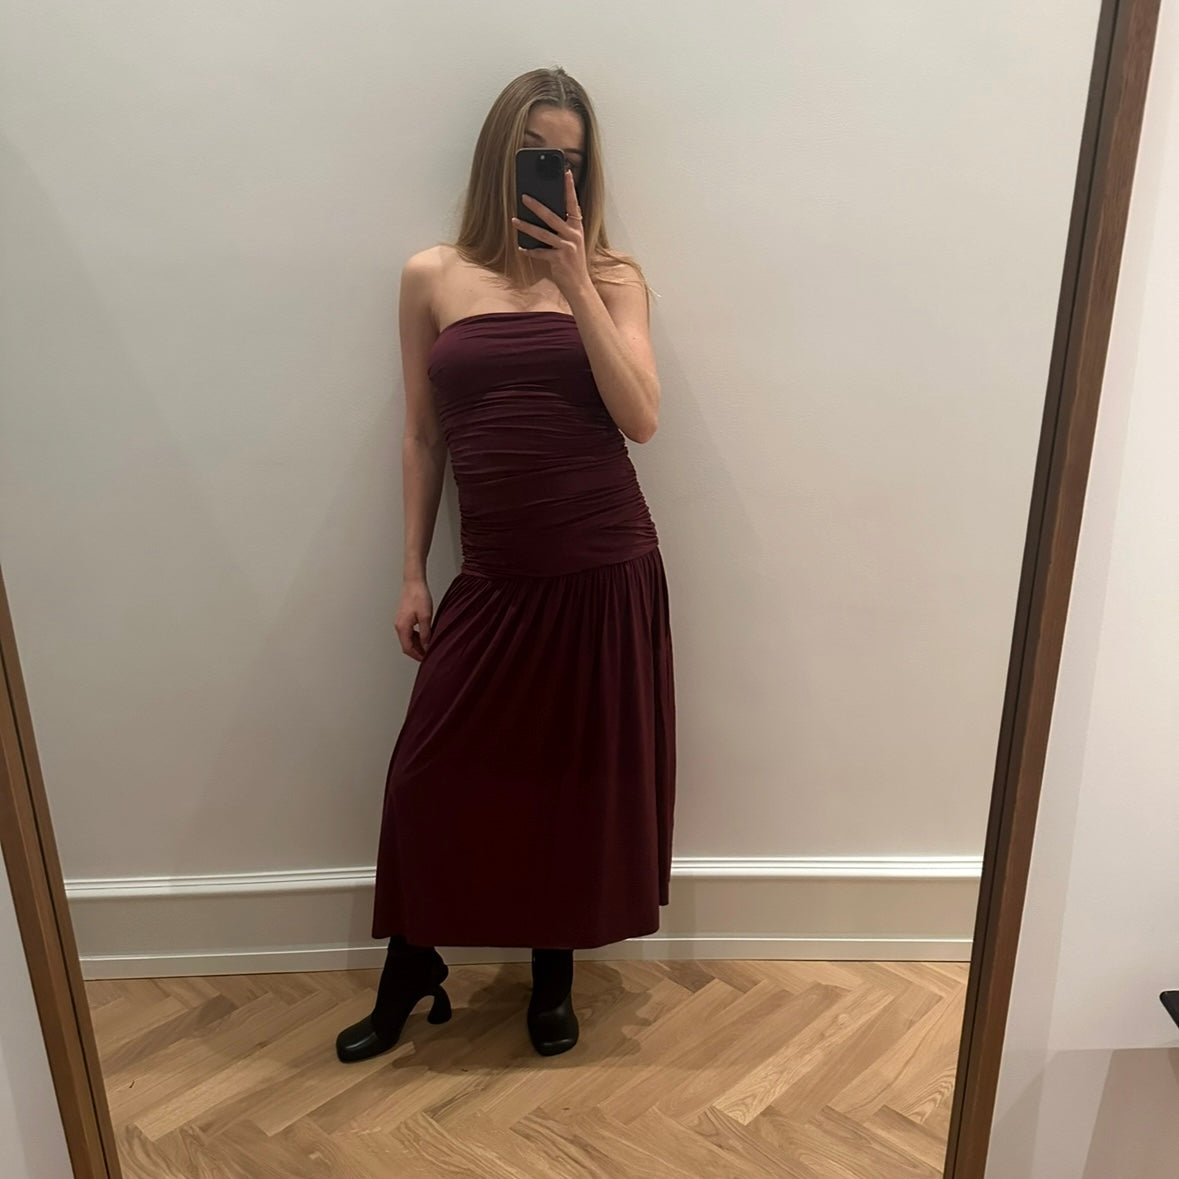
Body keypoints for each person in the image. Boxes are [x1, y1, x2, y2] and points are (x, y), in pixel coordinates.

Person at [336, 66, 675, 1064]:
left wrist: (574, 284)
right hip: (494, 574)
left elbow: (641, 419)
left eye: (569, 160)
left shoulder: (615, 278)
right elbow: (422, 436)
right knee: (426, 776)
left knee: (572, 776)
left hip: (603, 562)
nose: (553, 174)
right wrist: (412, 572)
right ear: (499, 157)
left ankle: (552, 976)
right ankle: (411, 964)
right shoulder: (431, 276)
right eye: (535, 155)